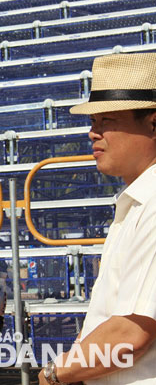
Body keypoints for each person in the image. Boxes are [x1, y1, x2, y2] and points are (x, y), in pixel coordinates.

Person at [38, 53, 156, 385]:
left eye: (107, 121)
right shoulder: (138, 200)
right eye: (93, 123)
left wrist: (55, 374)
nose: (94, 133)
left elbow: (132, 333)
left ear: (153, 123)